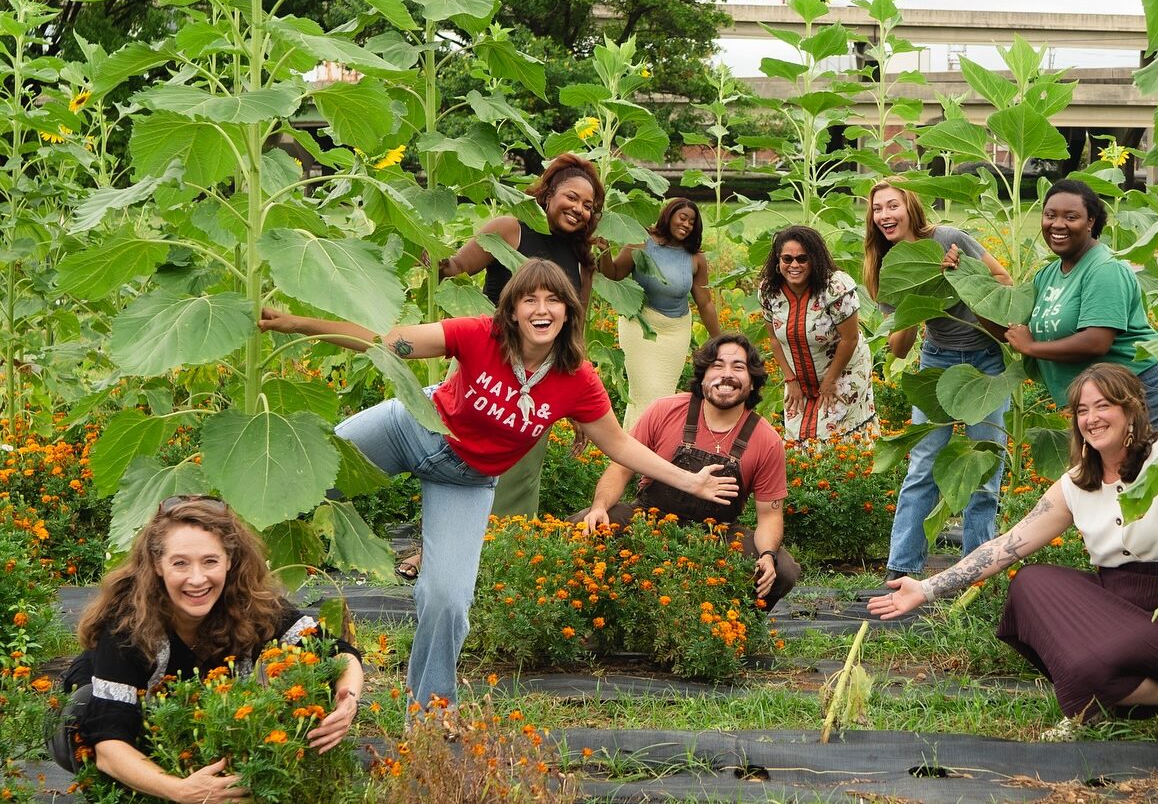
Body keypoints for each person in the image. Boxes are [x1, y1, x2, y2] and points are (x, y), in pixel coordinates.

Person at [258, 258, 736, 708]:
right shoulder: (477, 335)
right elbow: (387, 342)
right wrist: (298, 324)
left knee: (447, 600)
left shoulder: (577, 379)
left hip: (465, 481)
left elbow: (620, 445)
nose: (542, 309)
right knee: (294, 486)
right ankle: (241, 605)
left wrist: (690, 482)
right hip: (411, 428)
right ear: (511, 308)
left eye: (554, 300)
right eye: (529, 299)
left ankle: (429, 711)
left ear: (569, 312)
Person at [868, 352, 1158, 740]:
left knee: (1088, 663)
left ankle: (1109, 699)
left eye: (1103, 406)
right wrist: (926, 588)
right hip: (1120, 609)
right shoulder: (1075, 484)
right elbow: (1006, 546)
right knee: (1031, 583)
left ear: (1130, 411)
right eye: (1082, 410)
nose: (1092, 418)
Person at [58, 496, 364, 802]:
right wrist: (180, 791)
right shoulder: (126, 624)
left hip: (188, 720)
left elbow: (335, 650)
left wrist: (348, 698)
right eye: (180, 563)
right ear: (157, 565)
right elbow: (109, 744)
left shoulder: (250, 603)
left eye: (210, 561)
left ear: (230, 561)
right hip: (110, 719)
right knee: (86, 712)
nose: (197, 579)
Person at [429, 153, 606, 532]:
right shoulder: (512, 229)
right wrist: (432, 257)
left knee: (520, 474)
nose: (579, 209)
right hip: (484, 365)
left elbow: (574, 331)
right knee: (459, 459)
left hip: (539, 377)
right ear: (547, 194)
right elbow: (457, 266)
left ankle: (505, 555)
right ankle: (437, 548)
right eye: (571, 197)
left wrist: (578, 404)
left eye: (588, 206)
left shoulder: (579, 261)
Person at [577, 333, 799, 611]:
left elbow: (769, 515)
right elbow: (620, 469)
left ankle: (728, 629)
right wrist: (599, 506)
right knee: (584, 526)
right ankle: (599, 616)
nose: (727, 375)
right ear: (703, 375)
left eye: (738, 368)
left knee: (783, 569)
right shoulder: (665, 410)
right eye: (717, 366)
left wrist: (766, 555)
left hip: (716, 535)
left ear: (752, 381)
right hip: (649, 520)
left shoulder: (766, 439)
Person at [863, 180, 1015, 578]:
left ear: (909, 206)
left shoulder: (948, 238)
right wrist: (911, 308)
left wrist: (962, 275)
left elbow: (1004, 283)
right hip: (938, 361)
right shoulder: (890, 264)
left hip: (987, 360)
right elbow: (898, 347)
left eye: (892, 205)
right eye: (878, 209)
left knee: (985, 460)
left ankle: (977, 566)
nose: (885, 215)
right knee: (925, 461)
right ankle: (902, 567)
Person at [1003, 179, 1158, 439]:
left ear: (1091, 222)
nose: (1058, 224)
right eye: (1050, 215)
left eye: (1071, 216)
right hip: (1101, 398)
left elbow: (1096, 341)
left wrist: (1030, 348)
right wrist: (966, 284)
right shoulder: (1047, 275)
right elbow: (1017, 332)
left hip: (1143, 387)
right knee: (1126, 476)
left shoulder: (1104, 268)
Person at [599, 197, 723, 429]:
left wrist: (720, 339)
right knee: (647, 393)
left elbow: (705, 303)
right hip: (639, 325)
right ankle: (635, 457)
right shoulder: (642, 242)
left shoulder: (695, 258)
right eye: (682, 218)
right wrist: (604, 251)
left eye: (692, 222)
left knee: (663, 396)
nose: (686, 225)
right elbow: (614, 273)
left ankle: (640, 454)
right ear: (668, 216)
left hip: (676, 331)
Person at [758, 225, 876, 442]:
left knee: (832, 435)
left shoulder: (835, 288)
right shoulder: (769, 291)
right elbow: (774, 339)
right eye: (787, 259)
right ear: (778, 260)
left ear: (815, 259)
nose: (794, 265)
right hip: (798, 374)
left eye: (802, 259)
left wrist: (830, 380)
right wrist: (790, 380)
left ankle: (851, 475)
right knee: (796, 433)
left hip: (843, 369)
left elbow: (850, 339)